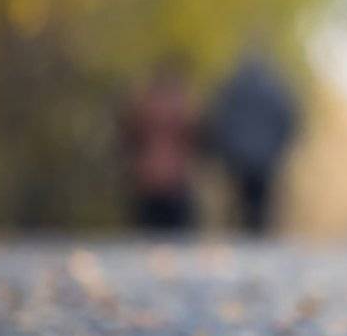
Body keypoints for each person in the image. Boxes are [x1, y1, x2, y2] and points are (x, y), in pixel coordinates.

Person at [208, 52, 299, 233]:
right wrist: (278, 150)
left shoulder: (233, 87)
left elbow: (219, 121)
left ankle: (241, 239)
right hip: (266, 159)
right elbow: (288, 120)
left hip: (238, 158)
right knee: (261, 206)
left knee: (239, 203)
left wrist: (226, 152)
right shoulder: (275, 89)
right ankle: (258, 240)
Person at [121, 63, 199, 231]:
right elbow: (194, 137)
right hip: (175, 178)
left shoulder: (143, 105)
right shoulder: (182, 107)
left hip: (148, 176)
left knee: (148, 231)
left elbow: (129, 138)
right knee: (178, 233)